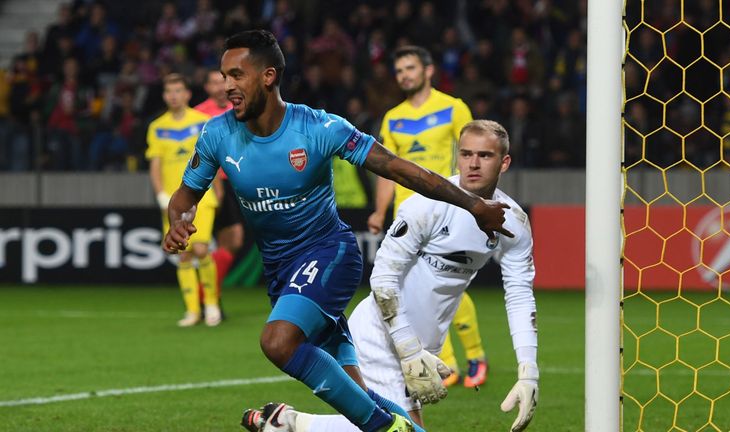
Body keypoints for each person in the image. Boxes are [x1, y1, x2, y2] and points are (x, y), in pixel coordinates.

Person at [162, 30, 511, 432]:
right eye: (224, 76)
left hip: (329, 253)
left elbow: (401, 169)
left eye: (237, 75)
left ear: (268, 76)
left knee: (277, 342)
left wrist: (472, 204)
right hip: (280, 270)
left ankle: (385, 430)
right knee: (356, 391)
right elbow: (186, 195)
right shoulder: (216, 134)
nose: (227, 87)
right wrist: (179, 222)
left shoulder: (318, 128)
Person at [251, 120, 539, 432]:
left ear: (504, 162)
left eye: (485, 156)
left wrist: (528, 372)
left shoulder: (513, 223)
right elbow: (383, 279)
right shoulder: (428, 205)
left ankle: (288, 424)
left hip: (425, 343)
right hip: (382, 336)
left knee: (394, 427)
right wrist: (408, 348)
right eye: (466, 153)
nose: (473, 163)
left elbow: (520, 294)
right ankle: (290, 424)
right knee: (398, 429)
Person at [366, 45, 490, 389]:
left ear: (428, 70)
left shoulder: (452, 107)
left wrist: (474, 199)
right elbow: (386, 169)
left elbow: (474, 155)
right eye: (399, 70)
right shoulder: (393, 116)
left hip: (446, 208)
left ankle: (476, 355)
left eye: (410, 68)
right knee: (413, 291)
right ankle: (445, 364)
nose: (404, 74)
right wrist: (379, 211)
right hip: (406, 216)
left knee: (447, 282)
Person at [146, 73, 221, 327]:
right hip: (174, 200)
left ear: (188, 94)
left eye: (179, 90)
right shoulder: (157, 126)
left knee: (201, 249)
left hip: (202, 196)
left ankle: (211, 304)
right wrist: (160, 195)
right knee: (184, 254)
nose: (174, 95)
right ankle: (192, 311)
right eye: (169, 91)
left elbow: (214, 158)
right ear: (165, 95)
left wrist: (218, 188)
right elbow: (155, 165)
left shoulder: (203, 122)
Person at [194, 68, 257, 297]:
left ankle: (208, 294)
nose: (220, 87)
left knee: (229, 241)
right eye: (214, 83)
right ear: (207, 88)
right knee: (230, 238)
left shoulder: (241, 110)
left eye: (223, 82)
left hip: (239, 182)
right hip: (213, 183)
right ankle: (204, 294)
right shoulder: (198, 115)